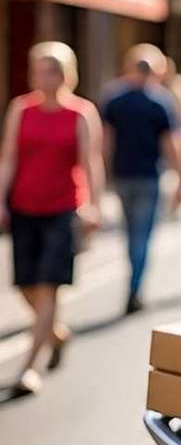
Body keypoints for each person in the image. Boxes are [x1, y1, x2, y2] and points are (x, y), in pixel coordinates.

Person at [0, 43, 103, 394]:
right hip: (24, 207)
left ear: (65, 74)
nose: (43, 77)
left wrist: (93, 206)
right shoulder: (20, 109)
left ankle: (30, 368)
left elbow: (91, 162)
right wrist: (1, 200)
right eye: (38, 70)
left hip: (62, 209)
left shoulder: (81, 113)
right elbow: (8, 157)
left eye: (50, 71)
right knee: (26, 287)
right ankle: (56, 334)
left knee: (48, 286)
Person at [101, 45, 181, 314]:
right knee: (142, 234)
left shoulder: (114, 99)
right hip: (149, 176)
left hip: (122, 175)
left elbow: (106, 141)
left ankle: (133, 279)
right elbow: (174, 143)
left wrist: (104, 175)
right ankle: (135, 287)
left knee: (130, 233)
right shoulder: (160, 102)